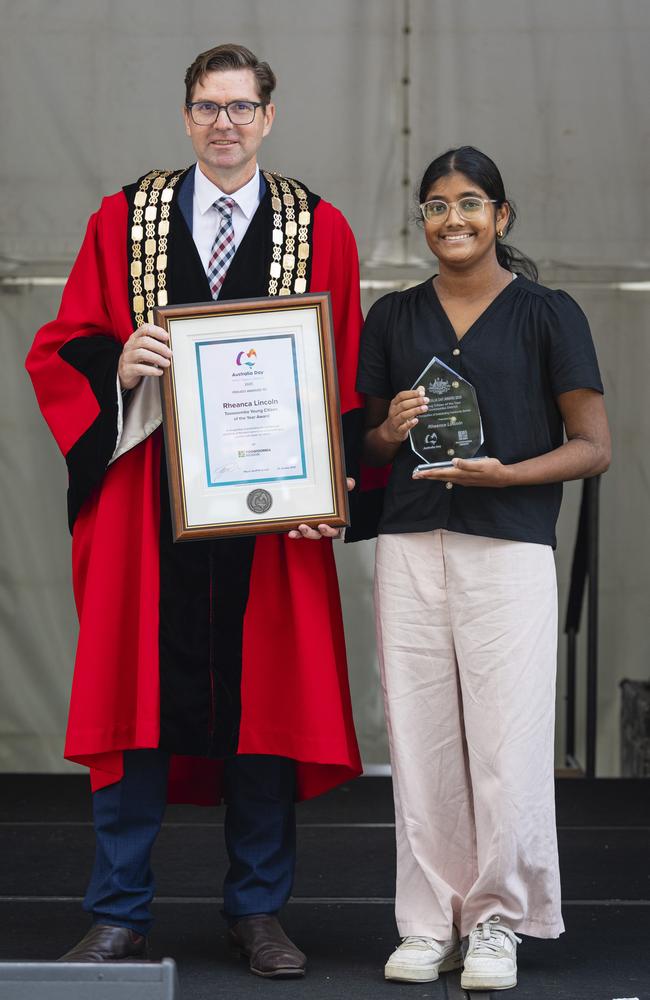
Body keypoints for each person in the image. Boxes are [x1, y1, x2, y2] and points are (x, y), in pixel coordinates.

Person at [25, 43, 367, 978]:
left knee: (266, 704)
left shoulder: (319, 226)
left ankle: (258, 912)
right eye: (208, 107)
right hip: (149, 501)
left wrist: (331, 483)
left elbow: (342, 374)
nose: (226, 123)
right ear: (186, 117)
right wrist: (119, 365)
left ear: (268, 116)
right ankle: (118, 912)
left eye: (242, 107)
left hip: (269, 513)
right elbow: (65, 347)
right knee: (133, 704)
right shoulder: (123, 218)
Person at [356, 146, 610, 992]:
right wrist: (390, 431)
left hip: (507, 546)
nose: (452, 219)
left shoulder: (548, 312)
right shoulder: (392, 317)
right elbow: (364, 446)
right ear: (421, 220)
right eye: (435, 205)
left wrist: (509, 474)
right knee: (422, 742)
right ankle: (429, 924)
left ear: (501, 217)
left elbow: (593, 448)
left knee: (506, 743)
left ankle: (497, 922)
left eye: (469, 203)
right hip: (411, 542)